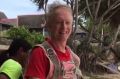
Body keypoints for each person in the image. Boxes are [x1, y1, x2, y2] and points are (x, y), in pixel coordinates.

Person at [25, 3, 83, 79]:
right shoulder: (40, 53)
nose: (64, 27)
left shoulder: (73, 57)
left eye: (68, 22)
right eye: (59, 22)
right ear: (49, 25)